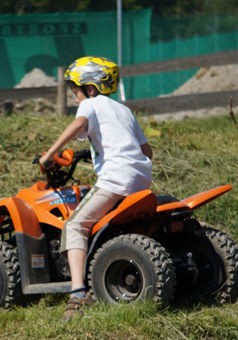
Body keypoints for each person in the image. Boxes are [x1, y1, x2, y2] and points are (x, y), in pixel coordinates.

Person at [38, 56, 153, 320]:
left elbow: (79, 125)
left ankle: (78, 293)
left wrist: (49, 155)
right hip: (141, 178)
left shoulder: (90, 104)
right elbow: (148, 151)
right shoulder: (124, 110)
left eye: (75, 91)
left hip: (115, 180)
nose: (75, 97)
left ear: (90, 88)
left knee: (75, 226)